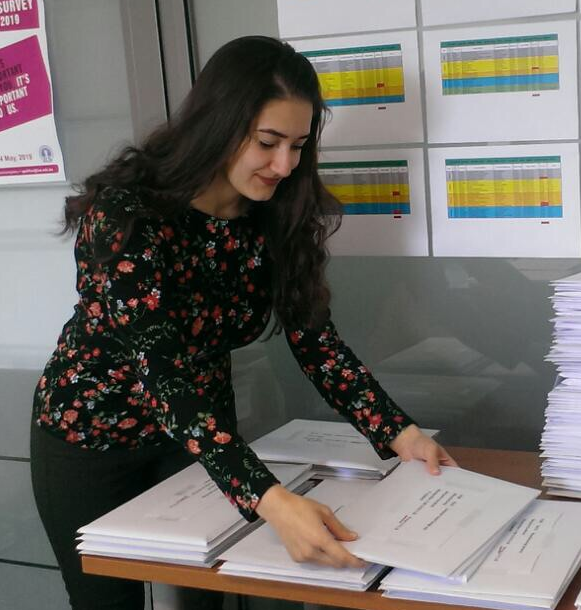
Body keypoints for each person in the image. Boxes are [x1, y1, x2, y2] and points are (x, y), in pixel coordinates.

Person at [29, 35, 454, 609]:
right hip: (90, 437)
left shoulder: (275, 213)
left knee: (207, 601)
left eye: (298, 145)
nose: (285, 165)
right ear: (219, 124)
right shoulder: (127, 214)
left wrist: (400, 434)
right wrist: (270, 500)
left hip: (200, 438)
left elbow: (316, 343)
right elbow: (161, 374)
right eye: (268, 142)